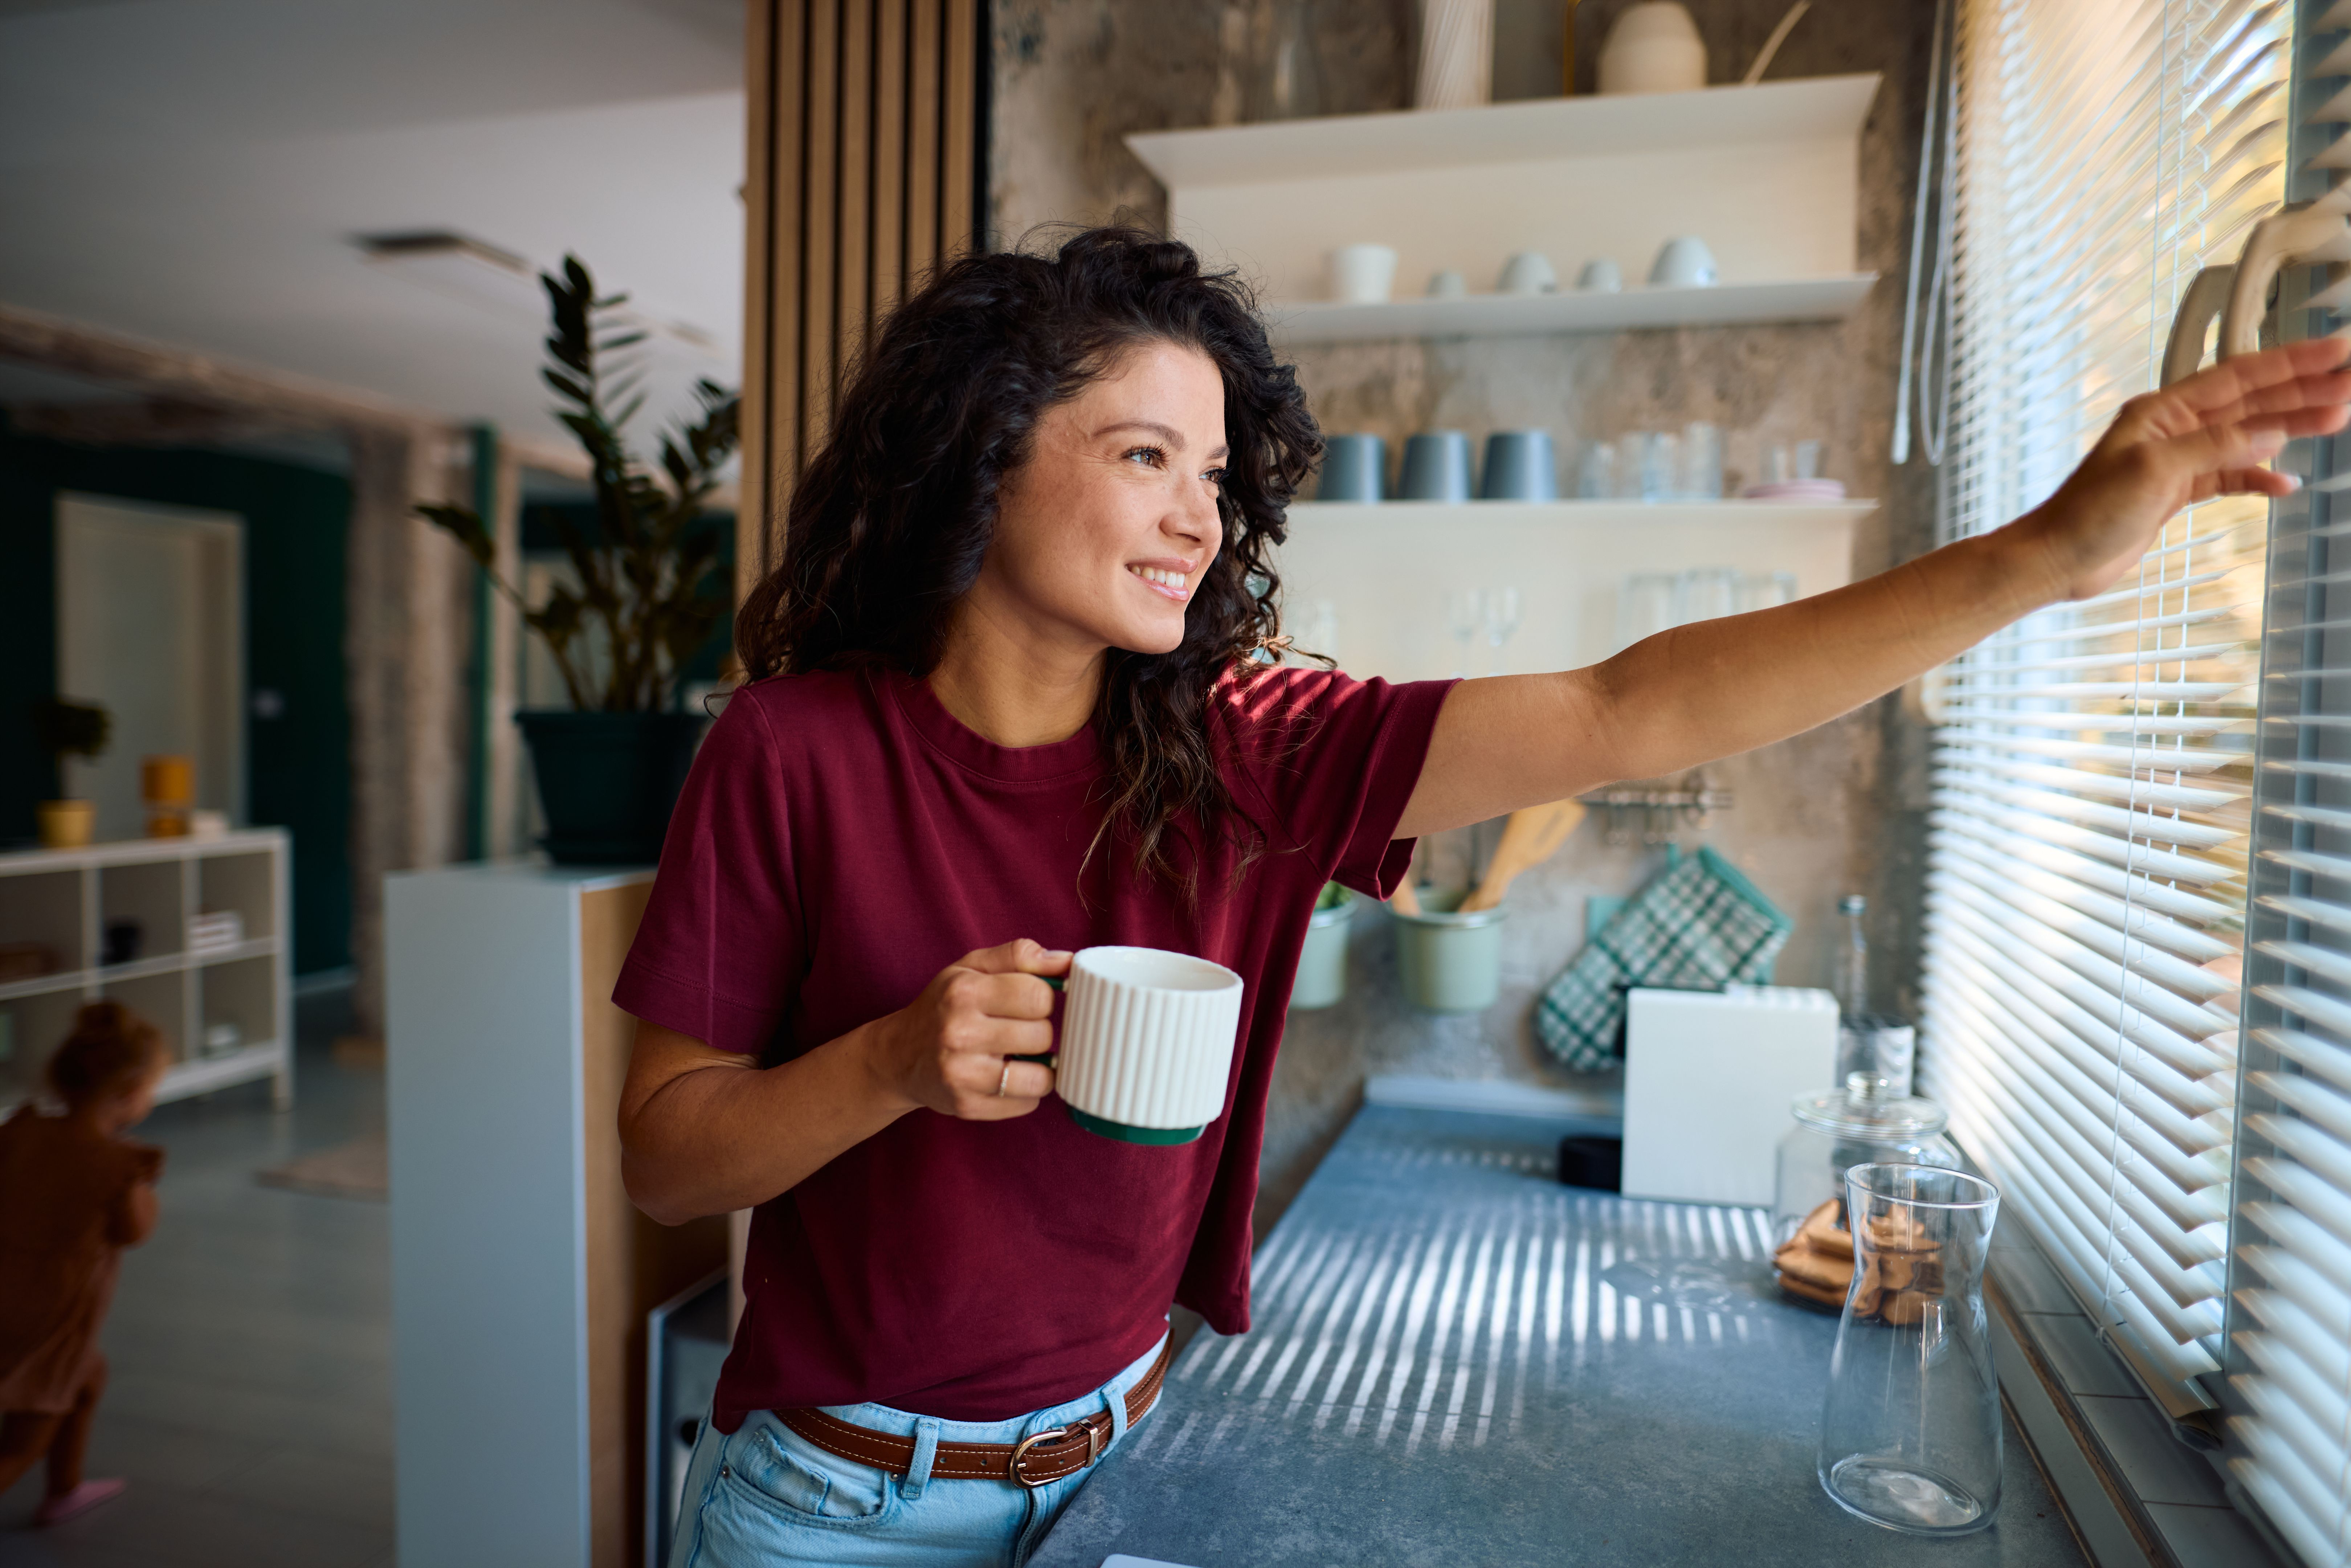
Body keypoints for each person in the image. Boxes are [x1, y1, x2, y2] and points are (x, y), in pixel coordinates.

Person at [615, 226, 2350, 1567]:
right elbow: (666, 1151)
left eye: (1213, 478)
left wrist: (2048, 554)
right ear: (981, 450)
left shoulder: (1245, 749)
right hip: (831, 1501)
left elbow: (1625, 706)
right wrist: (891, 1062)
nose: (1197, 519)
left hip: (1126, 1458)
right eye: (1145, 456)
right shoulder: (790, 751)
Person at [0, 1000, 167, 1528]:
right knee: (20, 1446)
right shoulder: (119, 1166)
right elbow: (133, 1233)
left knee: (90, 1376)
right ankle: (51, 1483)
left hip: (6, 1291)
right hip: (54, 1320)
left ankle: (66, 1489)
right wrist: (144, 1193)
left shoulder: (21, 1131)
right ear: (130, 1093)